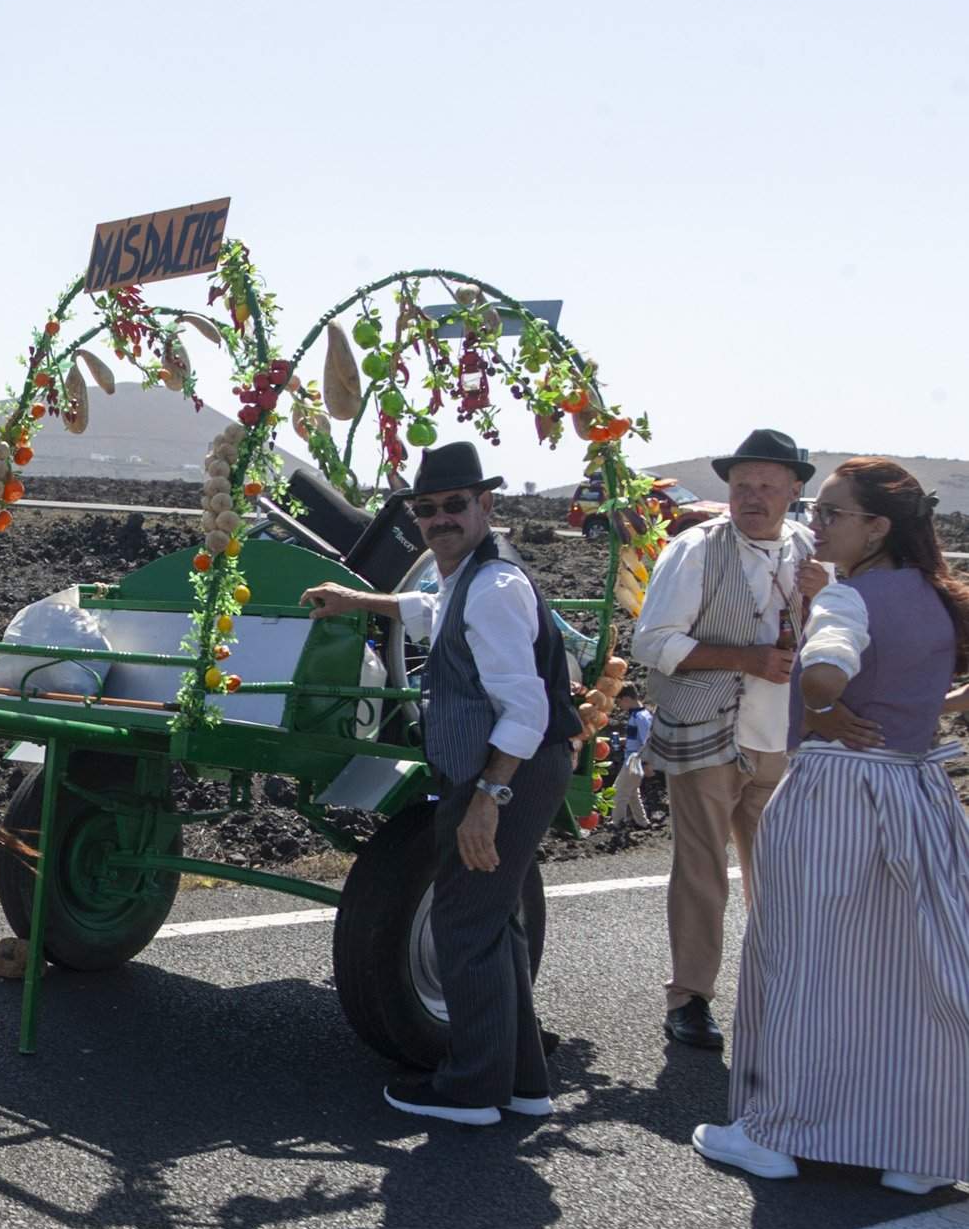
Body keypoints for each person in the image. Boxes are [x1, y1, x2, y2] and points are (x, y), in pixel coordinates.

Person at [694, 457, 969, 1195]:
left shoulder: (848, 597)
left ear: (878, 527)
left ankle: (773, 1130)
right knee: (911, 970)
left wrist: (820, 701)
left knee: (801, 960)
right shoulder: (939, 600)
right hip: (916, 790)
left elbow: (826, 665)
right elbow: (928, 685)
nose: (816, 524)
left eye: (831, 513)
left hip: (837, 792)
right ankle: (921, 1145)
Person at [305, 442, 579, 1125]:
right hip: (501, 767)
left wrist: (488, 799)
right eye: (426, 509)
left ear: (486, 504)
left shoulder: (494, 589)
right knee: (491, 920)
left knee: (464, 920)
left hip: (509, 768)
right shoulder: (467, 581)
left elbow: (527, 710)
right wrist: (355, 599)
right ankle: (522, 1082)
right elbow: (429, 611)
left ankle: (472, 1088)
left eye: (455, 504)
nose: (440, 519)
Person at [634, 429, 815, 1051]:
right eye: (742, 485)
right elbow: (652, 642)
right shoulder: (695, 550)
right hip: (706, 731)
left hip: (780, 742)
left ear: (795, 490)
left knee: (782, 876)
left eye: (767, 485)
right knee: (701, 870)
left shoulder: (811, 555)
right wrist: (747, 659)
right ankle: (689, 999)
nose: (753, 497)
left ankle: (781, 992)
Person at [608, 684, 654, 831]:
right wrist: (623, 741)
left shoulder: (640, 717)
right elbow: (639, 738)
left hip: (635, 760)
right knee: (633, 793)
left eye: (619, 702)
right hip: (634, 759)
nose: (619, 706)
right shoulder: (639, 715)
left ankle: (617, 824)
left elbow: (648, 741)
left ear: (627, 699)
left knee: (618, 792)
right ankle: (642, 822)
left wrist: (647, 763)